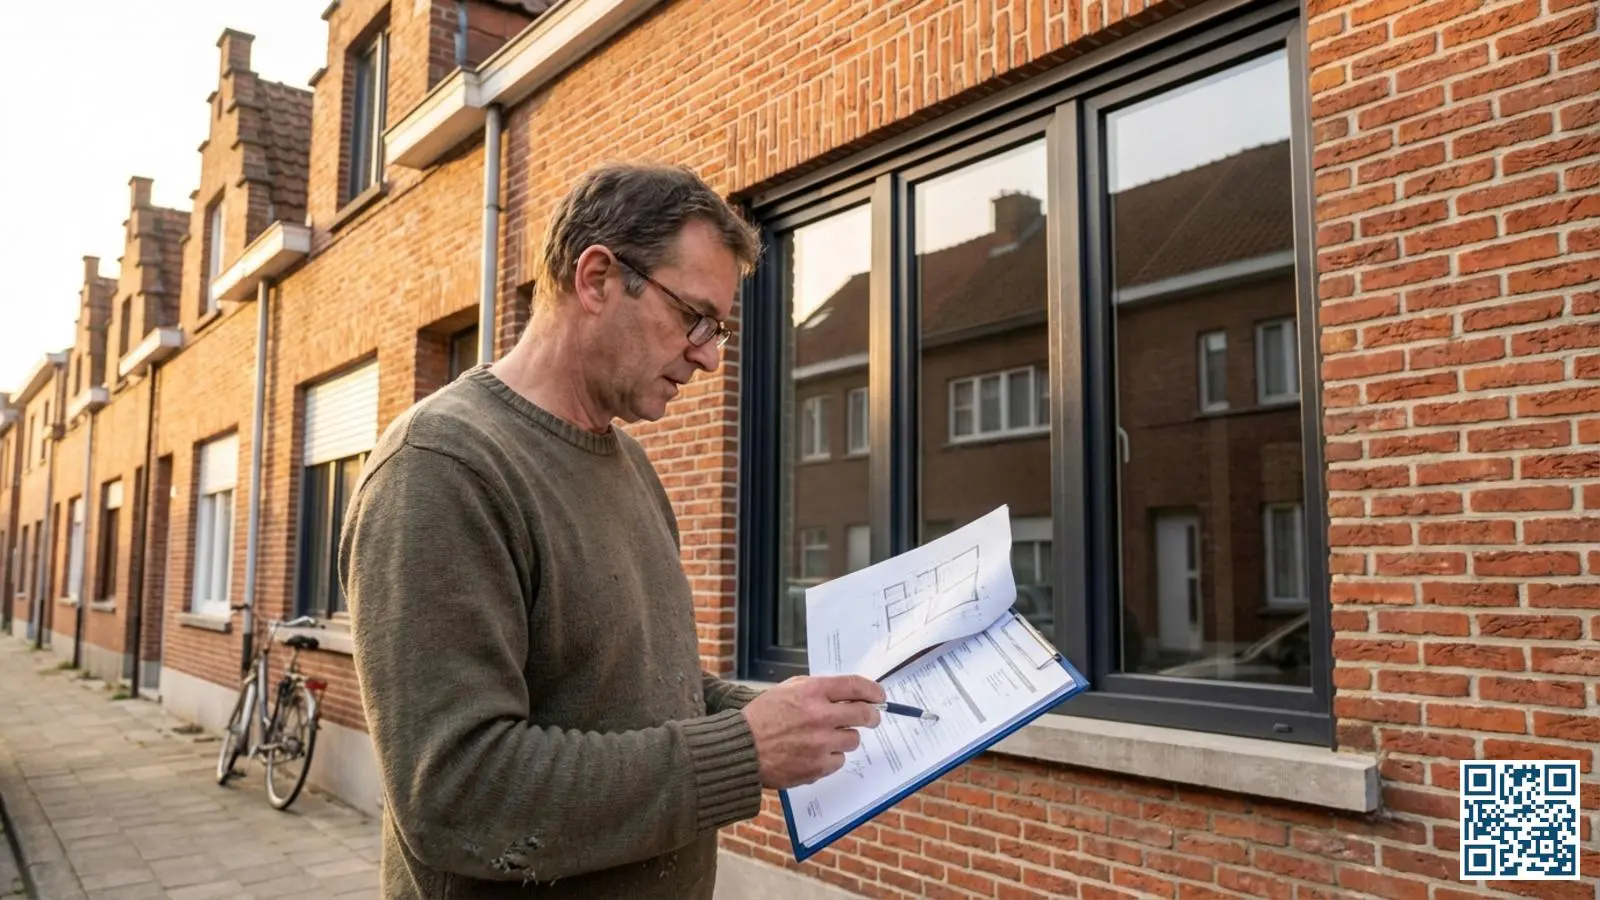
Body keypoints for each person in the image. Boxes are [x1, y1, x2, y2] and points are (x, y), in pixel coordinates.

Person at [340, 161, 885, 899]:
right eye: (693, 316)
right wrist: (743, 749)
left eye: (718, 328)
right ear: (596, 278)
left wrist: (770, 713)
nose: (710, 354)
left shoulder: (631, 466)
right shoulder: (442, 468)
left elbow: (627, 690)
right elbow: (459, 792)